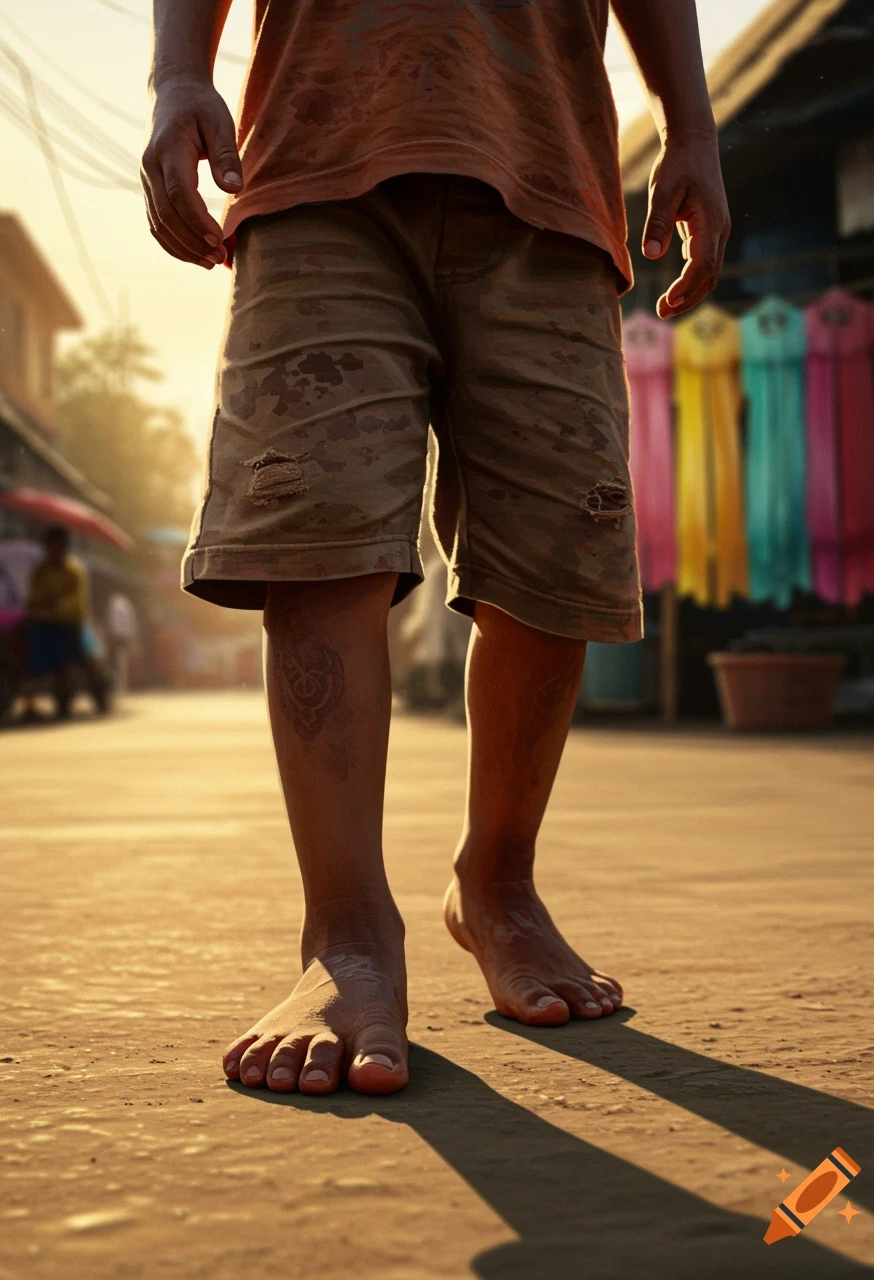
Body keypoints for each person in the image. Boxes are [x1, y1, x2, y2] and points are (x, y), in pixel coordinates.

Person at [143, 0, 729, 1096]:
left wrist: (688, 129)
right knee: (315, 531)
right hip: (319, 157)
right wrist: (177, 75)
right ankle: (347, 934)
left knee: (558, 556)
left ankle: (497, 880)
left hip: (549, 169)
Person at [24, 526, 109, 720]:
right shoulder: (40, 572)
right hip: (46, 626)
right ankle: (56, 705)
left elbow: (75, 603)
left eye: (55, 547)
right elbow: (33, 600)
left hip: (71, 625)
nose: (51, 551)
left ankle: (101, 699)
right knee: (50, 667)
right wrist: (49, 603)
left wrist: (51, 602)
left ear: (62, 547)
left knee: (88, 661)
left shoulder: (74, 571)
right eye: (48, 547)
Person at [106, 591, 139, 693]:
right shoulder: (127, 605)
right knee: (122, 661)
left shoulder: (113, 604)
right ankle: (121, 685)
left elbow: (112, 622)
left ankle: (118, 686)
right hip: (125, 636)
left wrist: (111, 636)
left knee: (117, 662)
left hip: (117, 636)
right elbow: (132, 623)